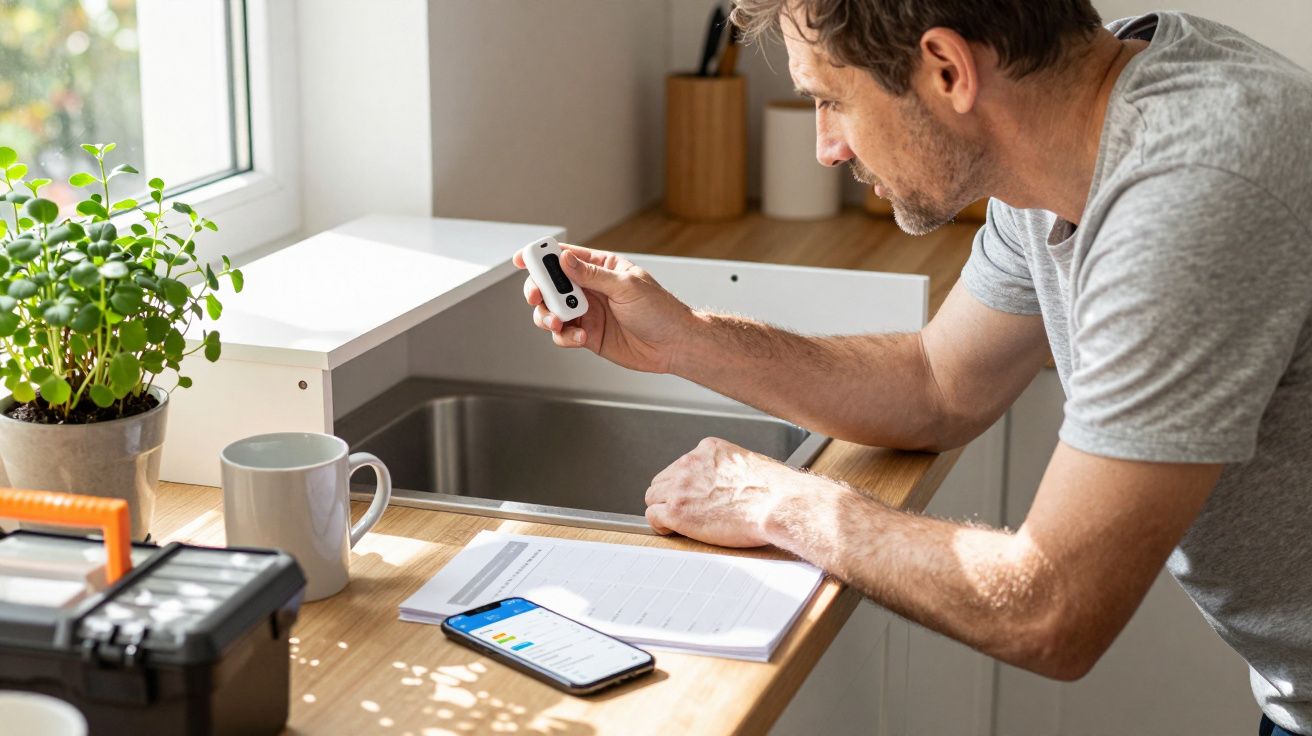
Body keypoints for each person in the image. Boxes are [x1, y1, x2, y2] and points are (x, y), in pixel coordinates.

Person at [512, 2, 1312, 733]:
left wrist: (780, 503)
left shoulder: (1191, 193)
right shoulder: (1074, 132)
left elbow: (1050, 606)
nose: (826, 148)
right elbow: (939, 384)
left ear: (947, 70)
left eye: (831, 100)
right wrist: (684, 337)